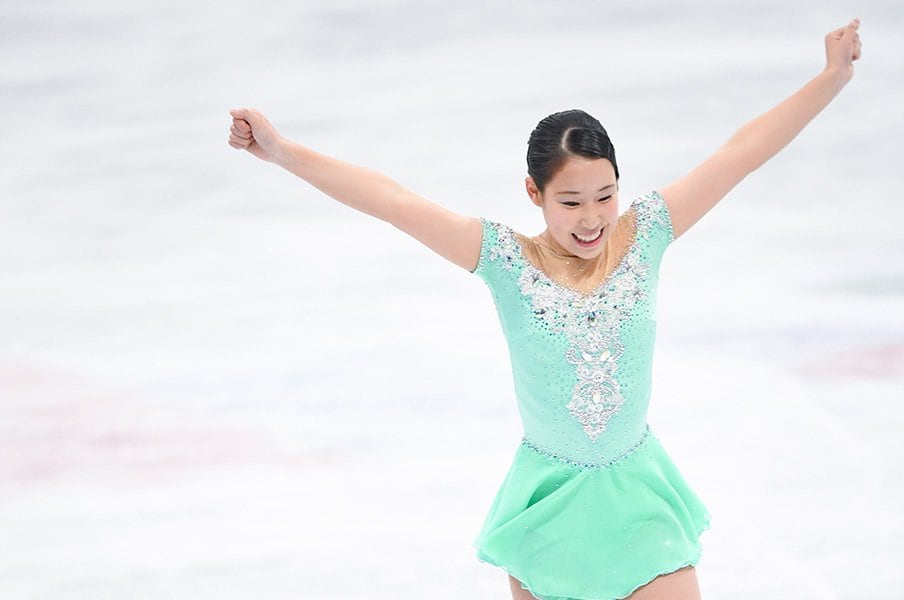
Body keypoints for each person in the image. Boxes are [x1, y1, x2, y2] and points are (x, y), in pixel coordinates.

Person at [227, 18, 862, 600]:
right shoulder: (506, 262)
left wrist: (830, 79)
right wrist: (282, 152)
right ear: (534, 192)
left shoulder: (646, 237)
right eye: (571, 202)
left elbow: (739, 152)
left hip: (640, 498)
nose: (592, 219)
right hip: (549, 507)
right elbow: (393, 200)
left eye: (605, 195)